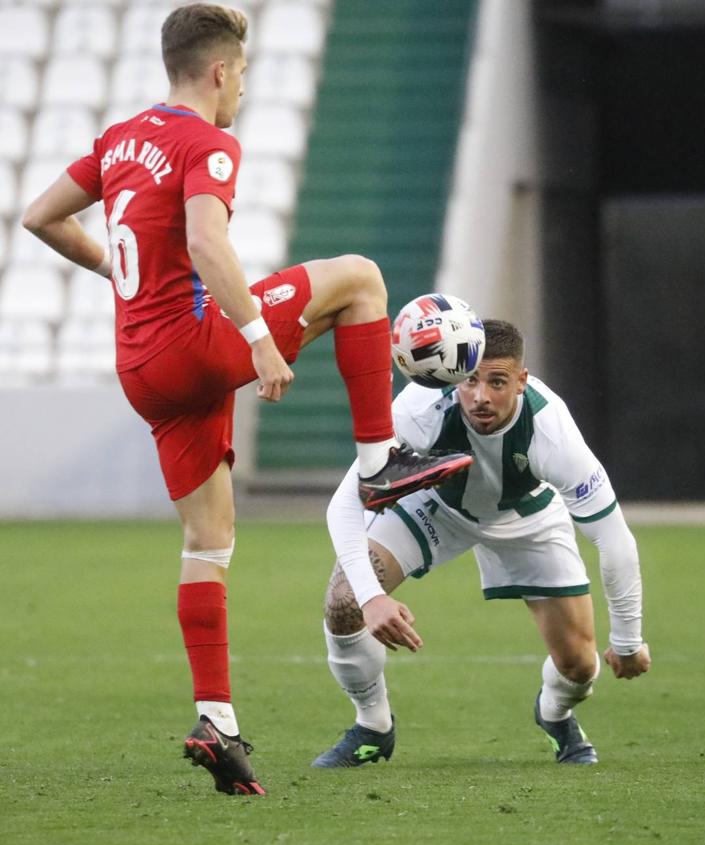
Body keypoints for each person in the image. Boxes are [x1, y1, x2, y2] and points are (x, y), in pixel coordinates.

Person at [22, 4, 472, 796]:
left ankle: (218, 724)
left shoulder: (121, 139)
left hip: (139, 366)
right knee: (361, 278)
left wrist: (118, 279)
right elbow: (204, 240)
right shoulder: (208, 141)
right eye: (242, 77)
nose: (241, 94)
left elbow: (39, 216)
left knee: (208, 540)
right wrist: (257, 336)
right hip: (191, 348)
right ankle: (378, 464)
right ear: (221, 72)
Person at [313, 318, 651, 768]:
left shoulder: (551, 430)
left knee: (580, 666)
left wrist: (627, 641)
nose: (481, 396)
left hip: (527, 519)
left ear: (521, 380)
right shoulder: (418, 409)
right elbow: (345, 506)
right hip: (435, 505)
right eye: (471, 380)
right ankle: (372, 726)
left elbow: (614, 538)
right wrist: (371, 598)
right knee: (343, 603)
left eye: (497, 382)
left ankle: (555, 714)